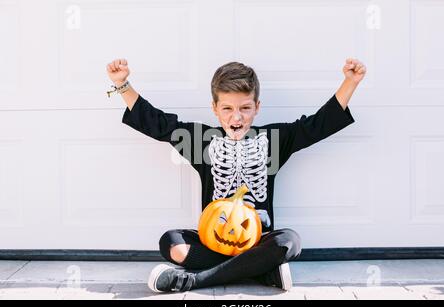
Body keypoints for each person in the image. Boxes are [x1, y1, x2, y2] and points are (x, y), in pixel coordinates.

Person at [106, 58, 366, 293]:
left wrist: (349, 82)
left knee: (288, 243)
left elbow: (317, 125)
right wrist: (122, 84)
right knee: (172, 243)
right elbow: (158, 123)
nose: (237, 117)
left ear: (257, 107)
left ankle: (196, 280)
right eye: (227, 108)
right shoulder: (201, 141)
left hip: (258, 240)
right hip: (212, 240)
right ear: (215, 108)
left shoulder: (274, 139)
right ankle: (261, 271)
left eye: (245, 107)